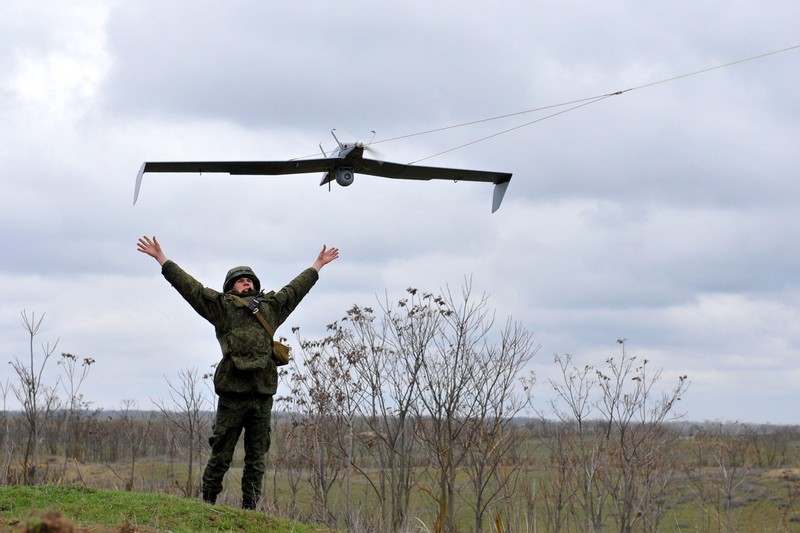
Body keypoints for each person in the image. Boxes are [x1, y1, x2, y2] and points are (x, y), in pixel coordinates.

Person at [137, 235, 339, 509]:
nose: (248, 282)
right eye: (241, 280)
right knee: (221, 453)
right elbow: (192, 289)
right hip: (233, 394)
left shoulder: (270, 308)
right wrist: (163, 259)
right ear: (231, 286)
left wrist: (317, 265)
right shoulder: (222, 308)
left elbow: (295, 290)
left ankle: (250, 510)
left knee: (256, 457)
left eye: (251, 280)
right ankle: (207, 504)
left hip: (261, 394)